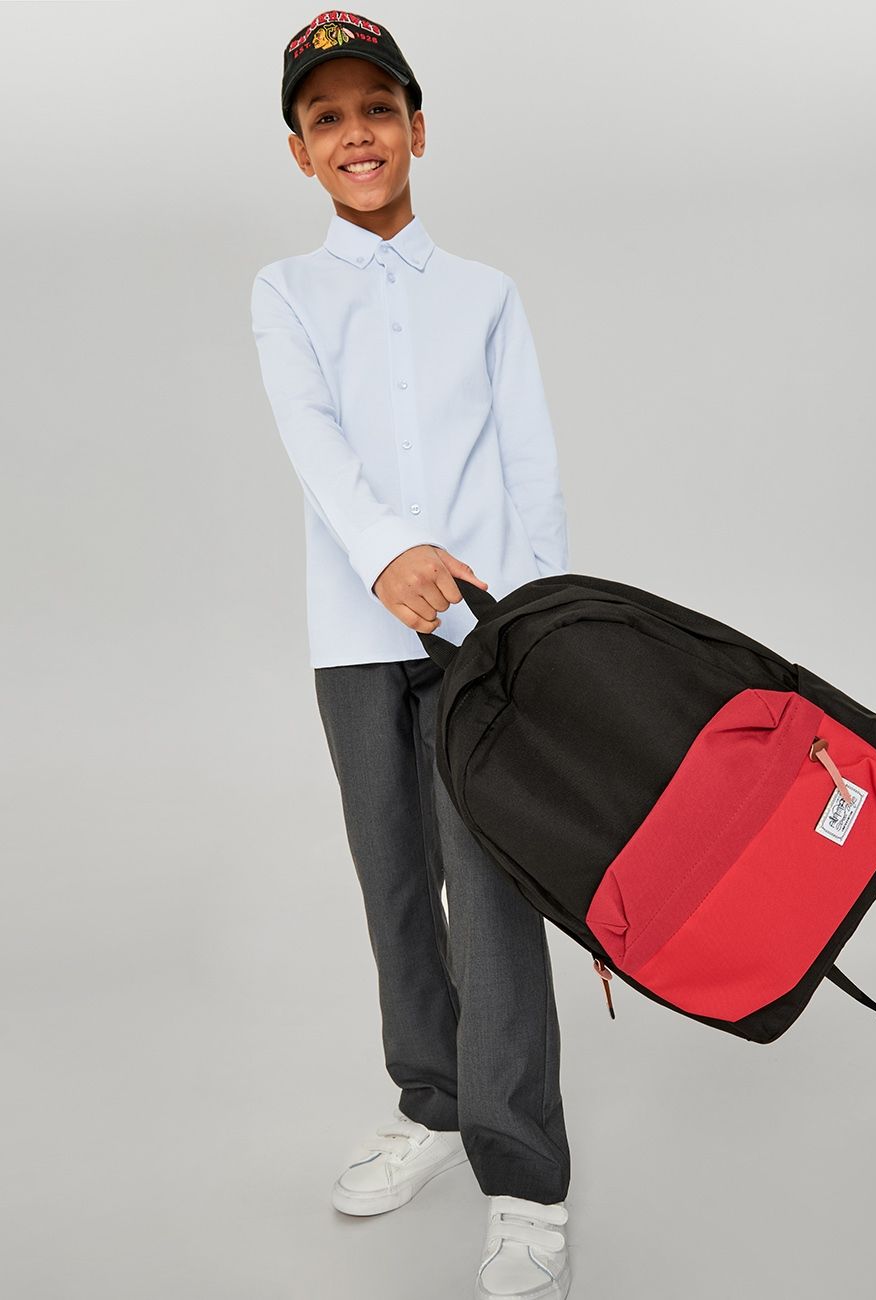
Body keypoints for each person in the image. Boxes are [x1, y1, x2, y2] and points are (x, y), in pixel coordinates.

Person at [250, 13, 573, 1298]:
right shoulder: (286, 292)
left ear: (417, 128)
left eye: (376, 108)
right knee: (393, 880)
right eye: (325, 117)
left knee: (491, 894)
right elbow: (313, 440)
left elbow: (531, 466)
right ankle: (433, 1100)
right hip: (354, 637)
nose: (357, 134)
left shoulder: (485, 294)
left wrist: (538, 623)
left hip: (482, 637)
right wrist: (388, 554)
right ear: (300, 152)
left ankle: (526, 1174)